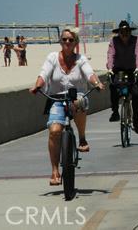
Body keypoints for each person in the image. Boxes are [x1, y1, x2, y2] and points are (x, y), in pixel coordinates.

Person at [29, 28, 104, 186]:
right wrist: (37, 86)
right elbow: (44, 74)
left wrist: (97, 83)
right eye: (64, 40)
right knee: (54, 131)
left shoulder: (81, 59)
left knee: (79, 102)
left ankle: (82, 138)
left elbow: (90, 73)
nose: (67, 42)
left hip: (76, 96)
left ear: (76, 42)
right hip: (56, 98)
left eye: (71, 40)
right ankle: (55, 170)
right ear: (60, 41)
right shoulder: (52, 58)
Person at [106, 21, 138, 133]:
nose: (124, 34)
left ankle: (135, 119)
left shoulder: (136, 40)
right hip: (118, 70)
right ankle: (115, 112)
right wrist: (109, 68)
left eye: (127, 32)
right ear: (119, 33)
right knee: (113, 86)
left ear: (130, 31)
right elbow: (110, 55)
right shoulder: (114, 41)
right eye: (122, 32)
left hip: (133, 70)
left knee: (137, 94)